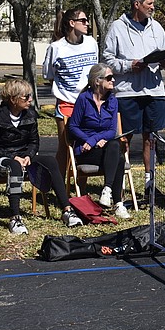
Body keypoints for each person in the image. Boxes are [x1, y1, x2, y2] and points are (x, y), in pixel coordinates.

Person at [0, 78, 83, 234]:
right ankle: (15, 218)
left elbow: (34, 143)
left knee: (50, 161)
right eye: (26, 97)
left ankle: (67, 210)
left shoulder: (30, 116)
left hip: (23, 157)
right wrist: (13, 157)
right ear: (13, 99)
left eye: (30, 96)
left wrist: (28, 155)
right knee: (14, 166)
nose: (30, 100)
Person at [103, 0, 165, 200]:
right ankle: (120, 186)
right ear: (137, 5)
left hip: (154, 91)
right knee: (125, 139)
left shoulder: (156, 27)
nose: (152, 7)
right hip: (127, 93)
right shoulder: (117, 27)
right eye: (149, 3)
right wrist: (129, 65)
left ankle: (150, 186)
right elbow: (107, 60)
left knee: (151, 138)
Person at [66, 64, 132, 220]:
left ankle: (108, 191)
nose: (113, 80)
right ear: (97, 81)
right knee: (119, 158)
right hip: (85, 149)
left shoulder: (113, 101)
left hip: (104, 147)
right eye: (109, 78)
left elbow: (111, 130)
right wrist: (90, 140)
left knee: (116, 147)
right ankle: (118, 203)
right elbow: (72, 127)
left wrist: (98, 140)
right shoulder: (84, 99)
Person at [42, 6, 99, 176]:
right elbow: (49, 75)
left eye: (87, 20)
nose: (87, 23)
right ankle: (60, 187)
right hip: (67, 103)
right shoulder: (56, 48)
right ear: (72, 23)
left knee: (85, 145)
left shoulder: (91, 43)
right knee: (65, 145)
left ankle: (81, 190)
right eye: (83, 20)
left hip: (89, 102)